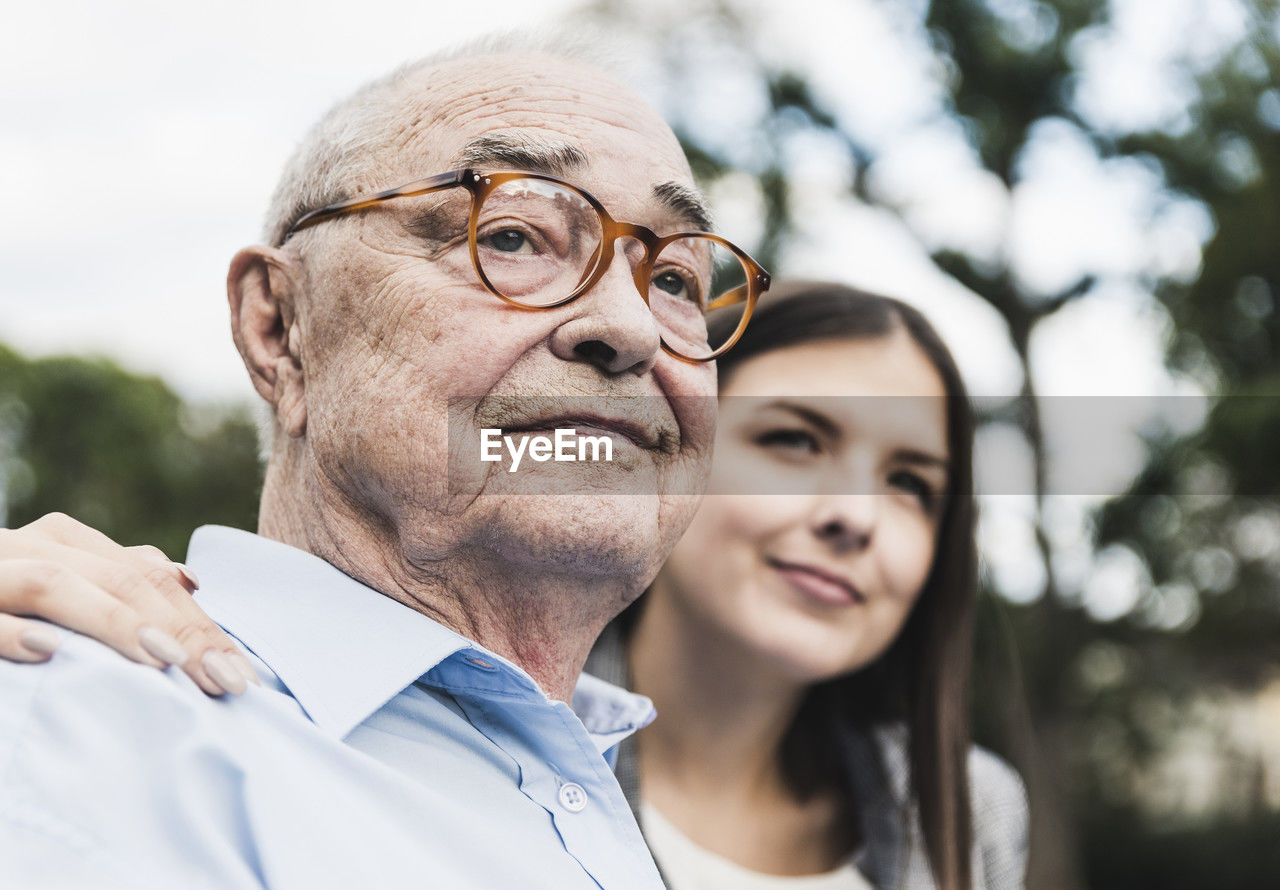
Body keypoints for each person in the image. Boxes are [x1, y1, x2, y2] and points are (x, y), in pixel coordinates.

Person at [0, 35, 773, 890]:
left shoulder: (608, 799)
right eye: (514, 234)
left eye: (677, 280)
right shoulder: (82, 726)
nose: (630, 328)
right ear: (279, 329)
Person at [1, 283, 1030, 889]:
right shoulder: (408, 737)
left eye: (911, 484)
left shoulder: (963, 809)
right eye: (795, 442)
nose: (855, 512)